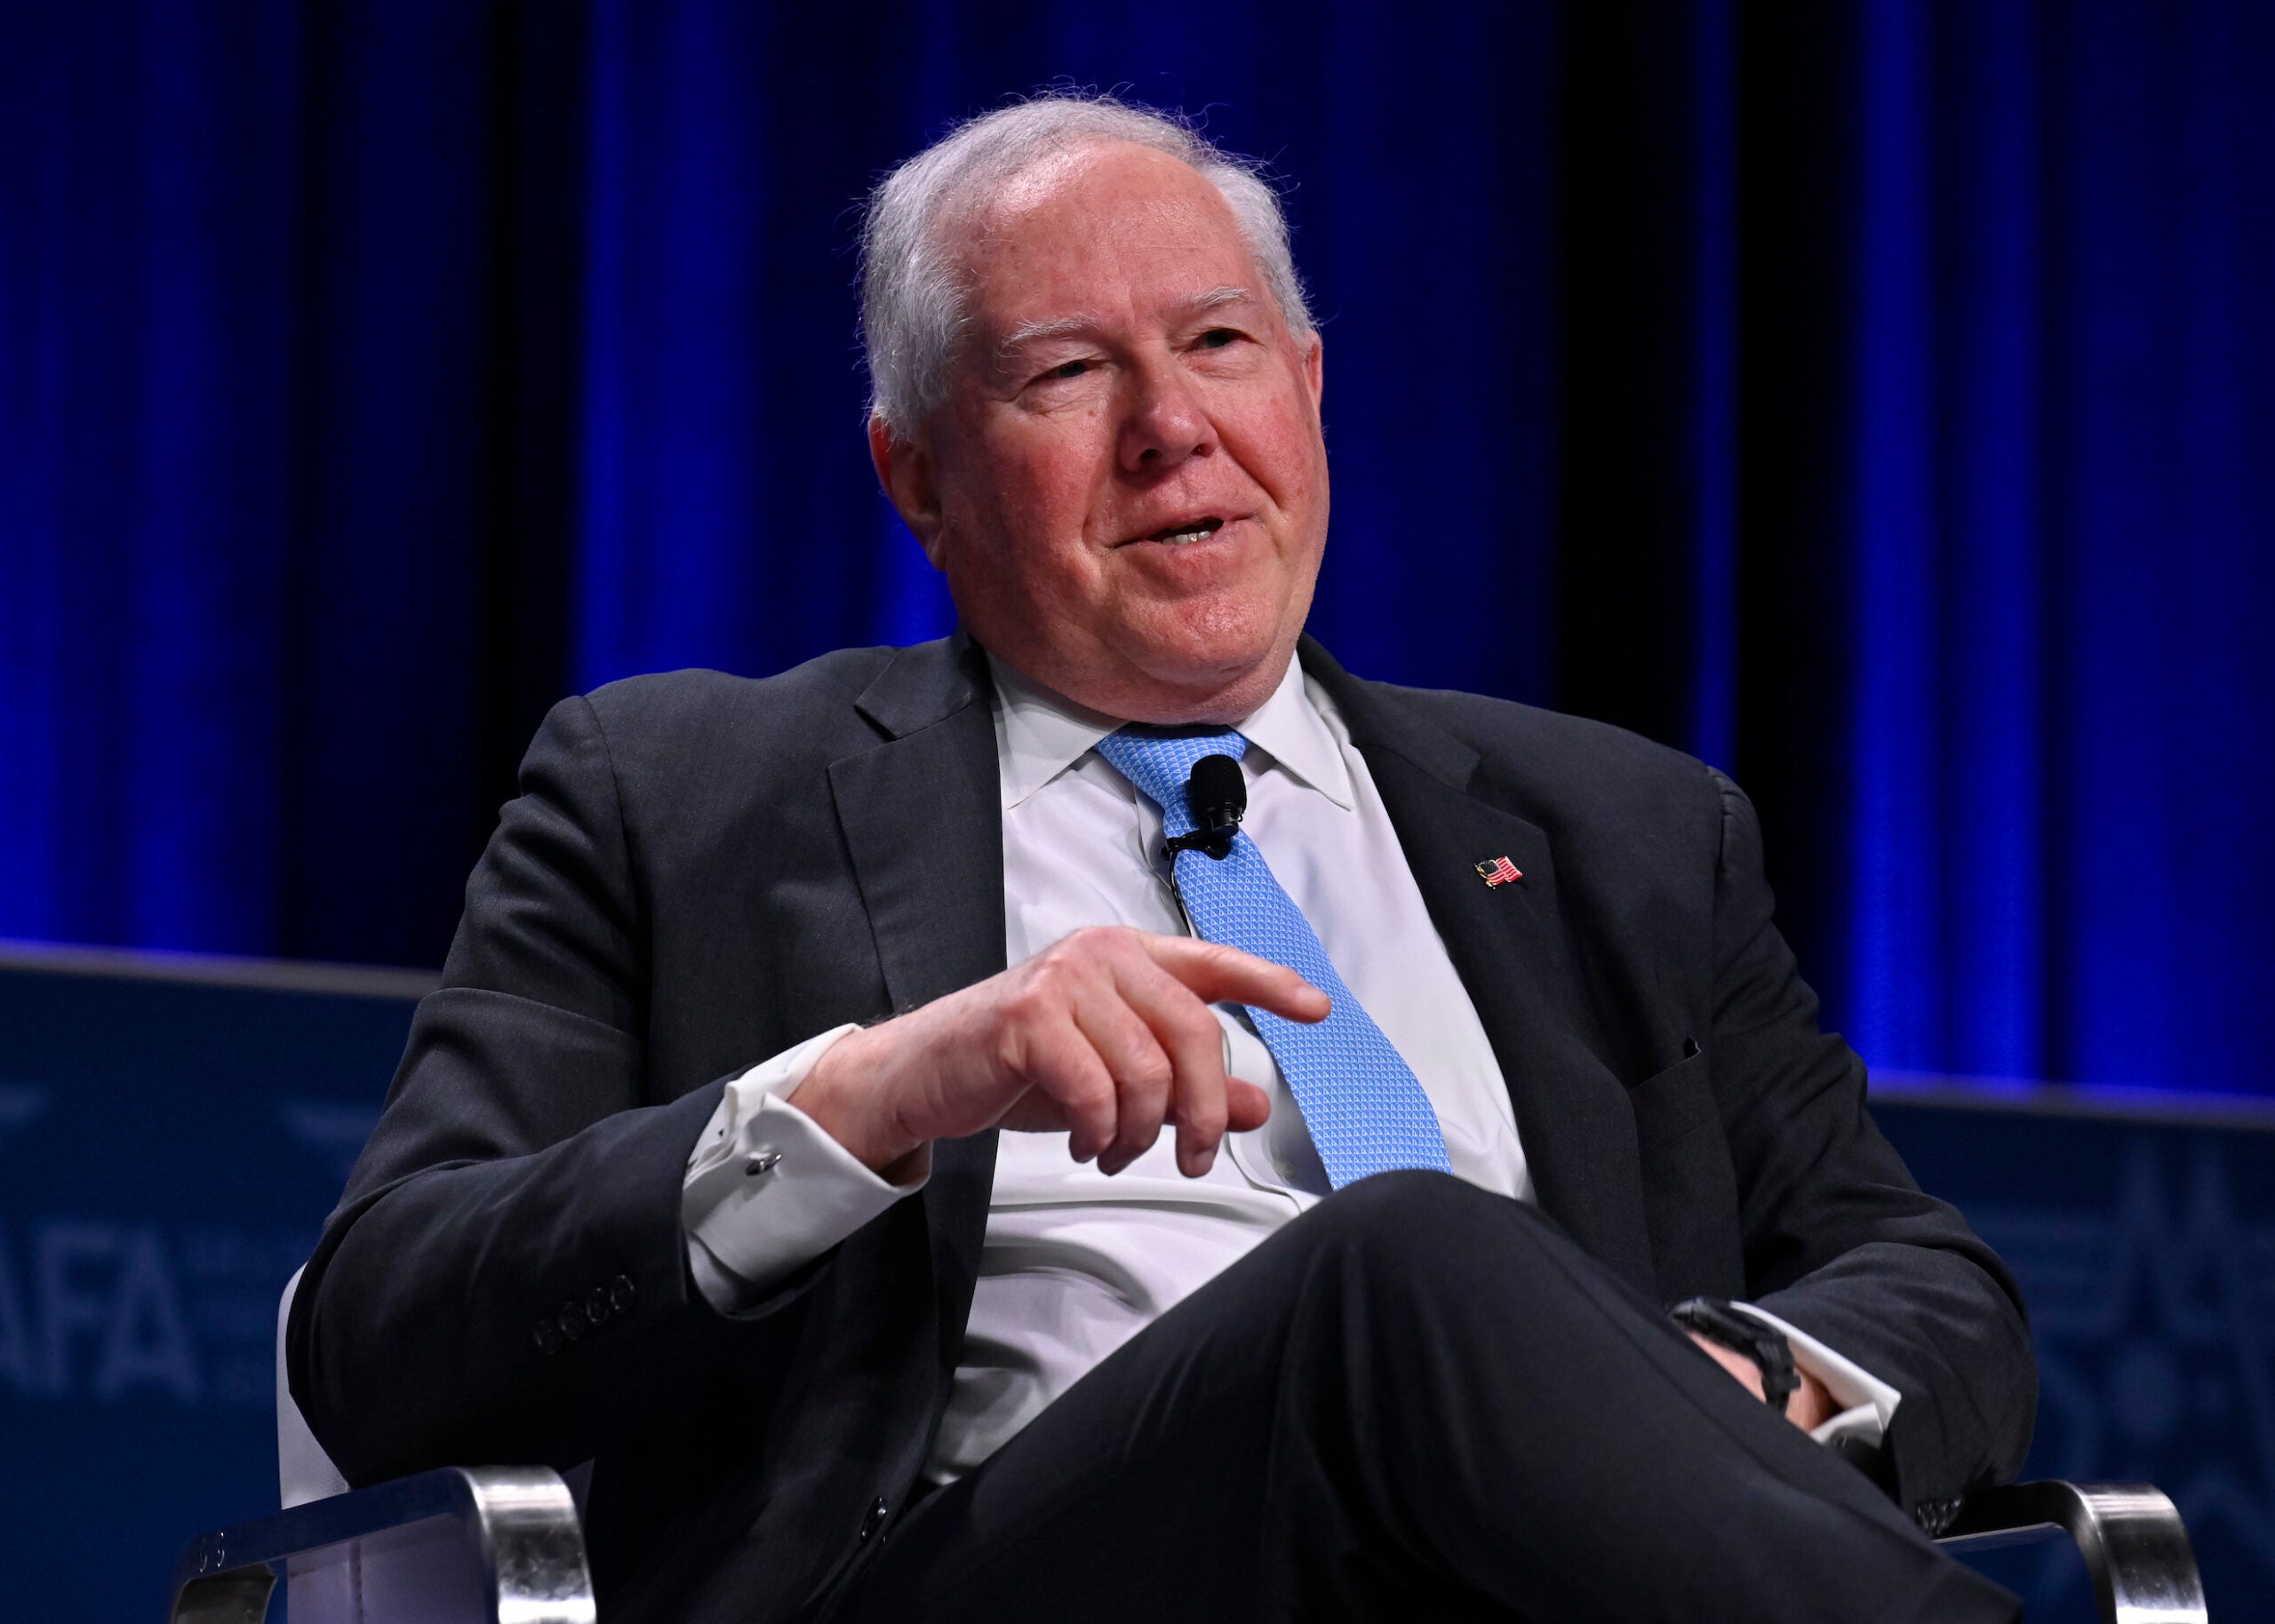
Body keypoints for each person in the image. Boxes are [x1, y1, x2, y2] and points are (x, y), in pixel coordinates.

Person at [288, 95, 2035, 1623]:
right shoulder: (678, 796)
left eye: (1218, 344)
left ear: (1310, 390)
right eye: (1066, 372)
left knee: (1431, 1286)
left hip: (1529, 1581)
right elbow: (381, 1338)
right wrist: (870, 1093)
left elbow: (1931, 1286)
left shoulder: (1624, 831)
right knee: (1398, 1262)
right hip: (981, 1576)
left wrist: (1728, 1376)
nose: (1170, 427)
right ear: (917, 477)